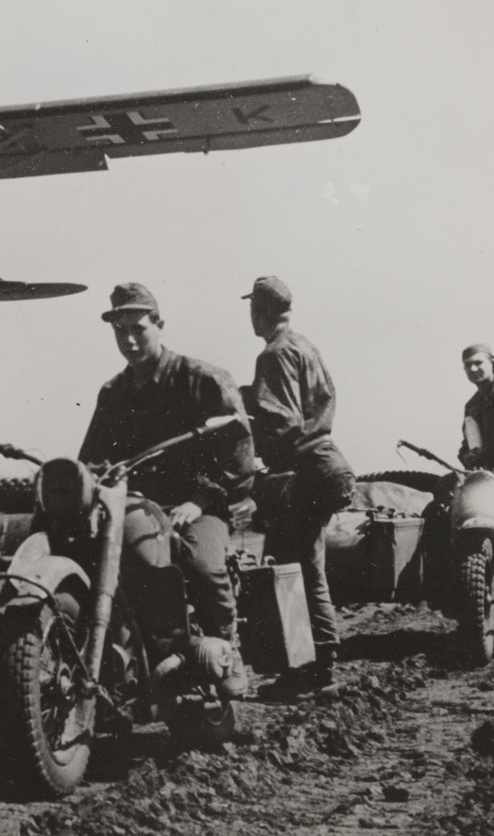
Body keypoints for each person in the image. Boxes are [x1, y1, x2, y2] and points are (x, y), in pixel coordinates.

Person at [78, 282, 253, 699]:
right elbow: (93, 457)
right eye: (120, 331)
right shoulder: (113, 392)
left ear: (160, 325)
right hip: (135, 507)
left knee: (202, 565)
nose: (130, 340)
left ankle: (228, 651)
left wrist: (201, 500)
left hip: (197, 503)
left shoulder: (202, 380)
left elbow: (239, 455)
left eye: (138, 328)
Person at [244, 276, 354, 697]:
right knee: (307, 567)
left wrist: (246, 436)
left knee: (293, 571)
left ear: (260, 311)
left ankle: (309, 671)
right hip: (325, 465)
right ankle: (316, 668)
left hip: (303, 469)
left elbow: (284, 423)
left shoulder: (273, 353)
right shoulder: (305, 346)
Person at [458, 344, 494, 468]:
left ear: (493, 363)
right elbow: (468, 444)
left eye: (478, 362)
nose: (473, 369)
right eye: (468, 365)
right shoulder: (472, 405)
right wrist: (467, 456)